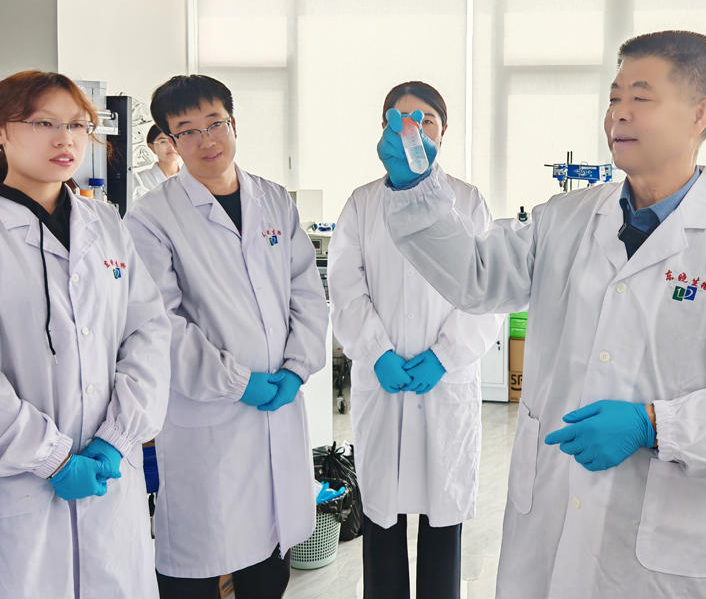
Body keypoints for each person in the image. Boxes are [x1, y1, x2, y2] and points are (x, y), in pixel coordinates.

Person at [375, 30, 706, 598]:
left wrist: (656, 425)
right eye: (614, 98)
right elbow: (475, 276)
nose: (618, 113)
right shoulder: (562, 220)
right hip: (549, 527)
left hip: (665, 552)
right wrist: (416, 189)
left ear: (699, 114)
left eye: (641, 97)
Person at [125, 75, 328, 599]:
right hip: (209, 416)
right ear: (170, 140)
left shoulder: (274, 200)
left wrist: (296, 368)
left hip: (278, 404)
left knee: (270, 563)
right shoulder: (152, 216)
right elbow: (160, 322)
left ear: (233, 123)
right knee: (200, 561)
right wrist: (238, 382)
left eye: (214, 123)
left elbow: (306, 291)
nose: (206, 139)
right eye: (187, 130)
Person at [0, 70, 171, 597]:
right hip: (20, 488)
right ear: (2, 131)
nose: (65, 139)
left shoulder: (107, 224)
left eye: (78, 125)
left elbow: (148, 331)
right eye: (44, 123)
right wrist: (50, 456)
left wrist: (116, 438)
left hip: (109, 479)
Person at [328, 81, 502, 599]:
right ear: (383, 132)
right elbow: (346, 286)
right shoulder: (362, 204)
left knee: (442, 515)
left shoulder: (468, 201)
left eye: (426, 119)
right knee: (381, 517)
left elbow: (487, 291)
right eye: (401, 120)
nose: (414, 129)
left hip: (444, 383)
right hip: (382, 381)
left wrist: (445, 356)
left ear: (443, 132)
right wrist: (376, 352)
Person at [134, 124, 180, 199]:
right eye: (163, 141)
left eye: (174, 140)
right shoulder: (139, 180)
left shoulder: (193, 178)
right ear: (151, 147)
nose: (171, 146)